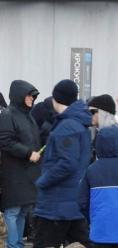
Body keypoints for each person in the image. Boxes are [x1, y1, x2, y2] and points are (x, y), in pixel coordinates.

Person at [33, 80, 92, 248]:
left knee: (44, 244)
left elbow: (67, 163)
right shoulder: (79, 123)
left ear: (56, 98)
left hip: (56, 204)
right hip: (71, 201)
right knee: (79, 243)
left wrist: (43, 181)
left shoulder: (67, 126)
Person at [1, 80, 41, 248]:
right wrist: (27, 153)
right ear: (19, 96)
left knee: (23, 210)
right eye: (29, 96)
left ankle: (17, 243)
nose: (32, 99)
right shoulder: (7, 115)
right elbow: (5, 141)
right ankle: (13, 245)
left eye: (33, 96)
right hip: (14, 173)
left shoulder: (28, 116)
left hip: (28, 173)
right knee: (13, 211)